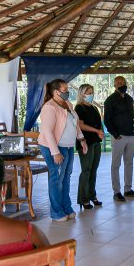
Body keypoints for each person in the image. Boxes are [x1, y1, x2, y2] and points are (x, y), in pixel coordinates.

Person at [38, 79, 88, 222]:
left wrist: (82, 139)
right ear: (56, 92)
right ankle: (56, 212)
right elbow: (47, 132)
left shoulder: (68, 104)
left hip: (68, 146)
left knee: (66, 177)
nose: (68, 92)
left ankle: (66, 207)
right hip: (54, 147)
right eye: (65, 90)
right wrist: (55, 152)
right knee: (57, 178)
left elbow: (75, 124)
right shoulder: (49, 107)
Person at [103, 76, 134, 202]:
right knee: (116, 164)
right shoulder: (110, 100)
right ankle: (117, 191)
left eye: (123, 82)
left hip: (131, 135)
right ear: (114, 85)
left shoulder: (129, 99)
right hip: (119, 136)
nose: (121, 84)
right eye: (118, 83)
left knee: (129, 163)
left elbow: (132, 116)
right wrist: (114, 134)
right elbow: (107, 120)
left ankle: (128, 189)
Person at [75, 84, 105, 210]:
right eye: (88, 92)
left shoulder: (93, 107)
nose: (91, 94)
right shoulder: (79, 108)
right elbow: (80, 125)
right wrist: (96, 131)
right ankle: (84, 199)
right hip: (85, 142)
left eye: (92, 92)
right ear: (82, 94)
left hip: (96, 142)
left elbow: (99, 123)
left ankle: (92, 195)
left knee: (93, 170)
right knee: (86, 170)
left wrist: (101, 132)